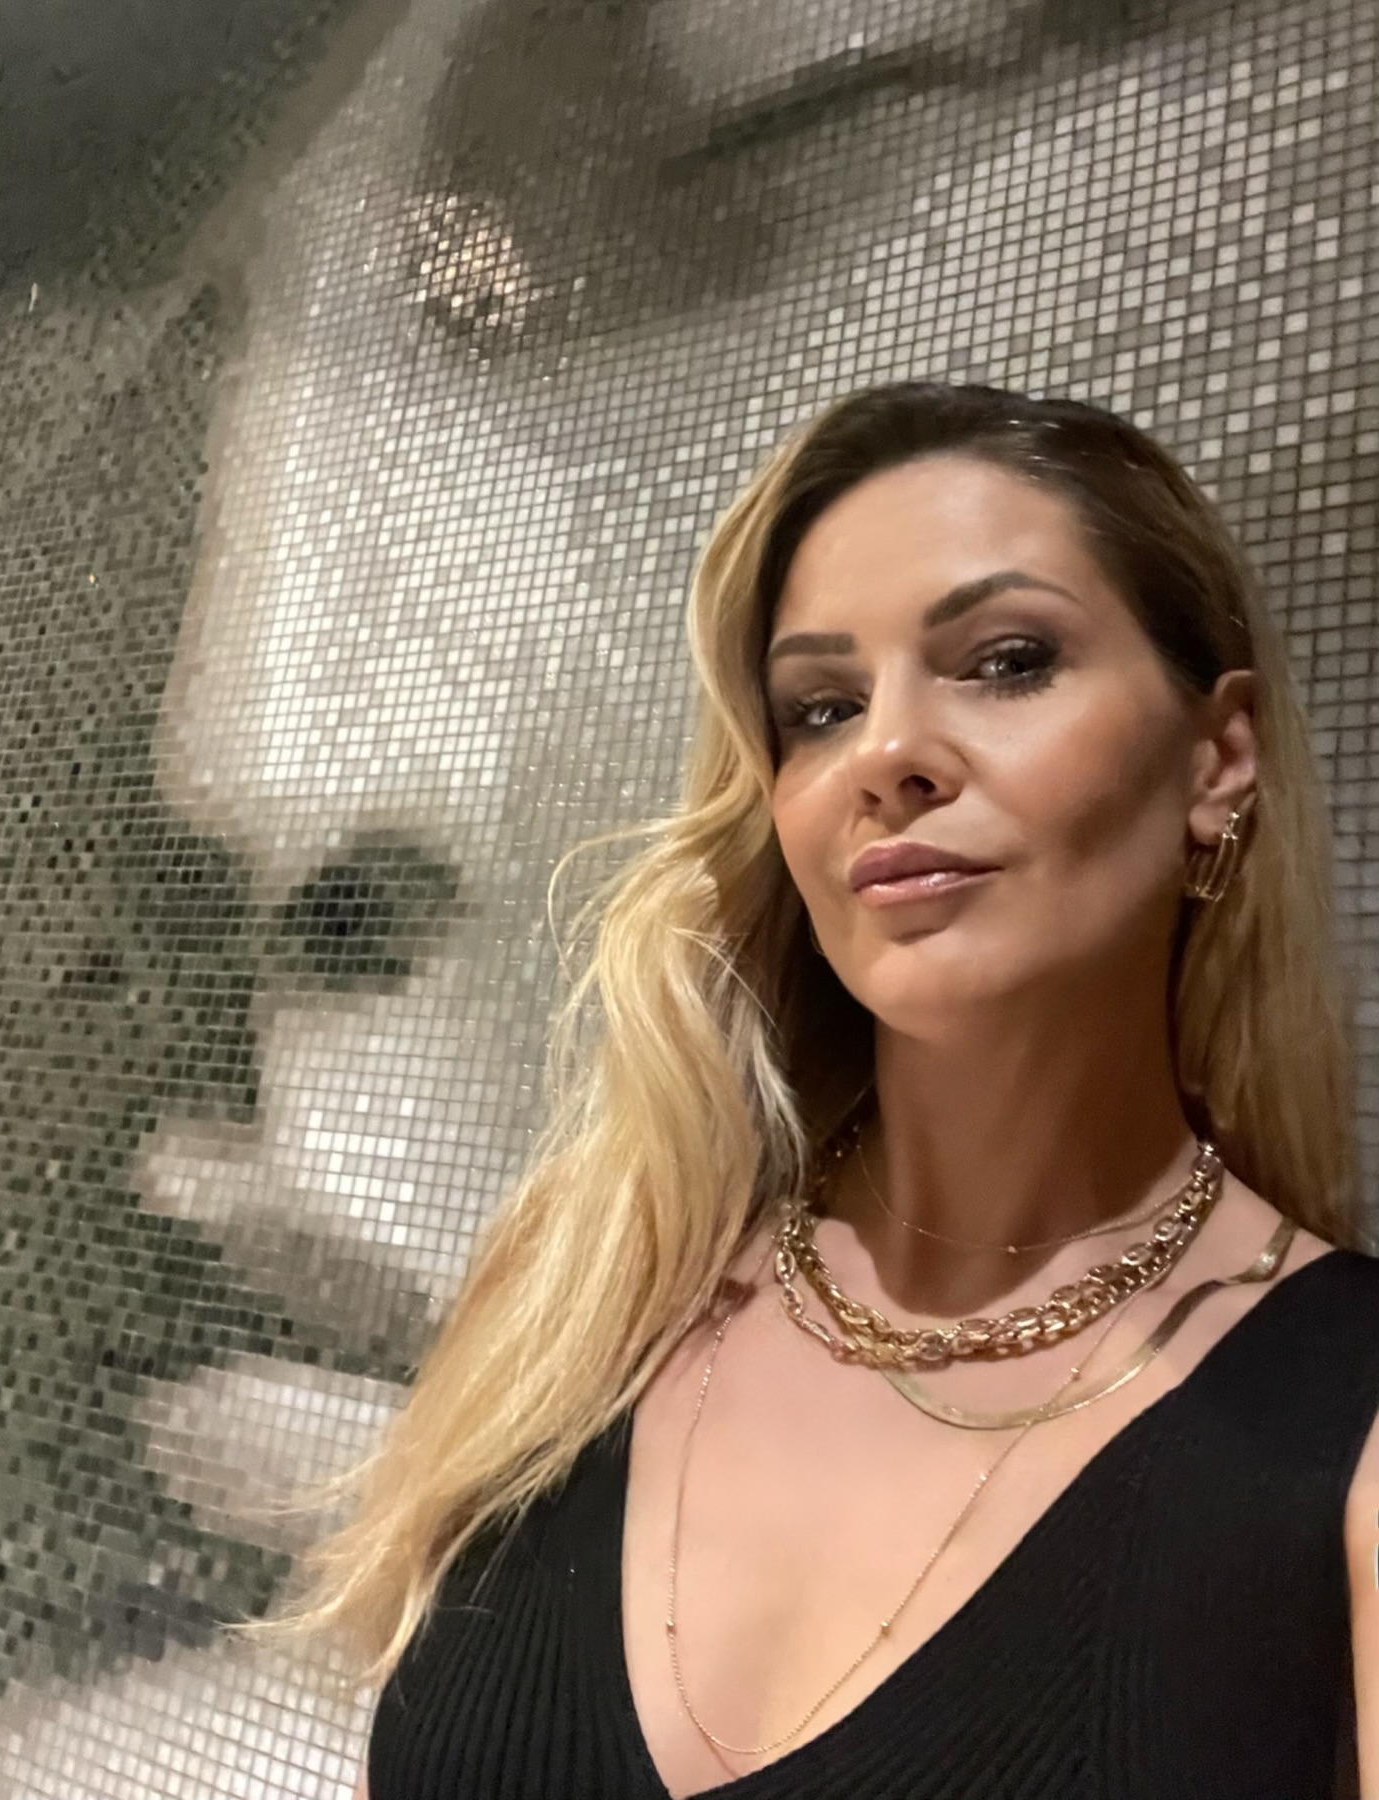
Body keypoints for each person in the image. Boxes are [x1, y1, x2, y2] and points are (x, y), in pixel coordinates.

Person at [290, 382, 1379, 1800]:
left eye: (1007, 661)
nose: (886, 754)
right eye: (821, 707)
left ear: (1216, 760)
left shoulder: (1345, 1444)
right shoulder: (586, 1290)